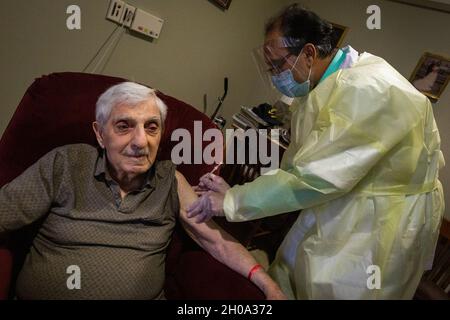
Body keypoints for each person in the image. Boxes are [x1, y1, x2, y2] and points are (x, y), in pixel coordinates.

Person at [187, 4, 445, 299]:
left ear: (308, 53)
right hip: (345, 198)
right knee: (297, 271)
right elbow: (298, 163)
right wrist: (241, 192)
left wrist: (233, 202)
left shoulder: (365, 89)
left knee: (338, 288)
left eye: (277, 66)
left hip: (381, 220)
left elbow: (314, 177)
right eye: (269, 68)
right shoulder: (323, 86)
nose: (274, 77)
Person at [0, 82, 286, 300]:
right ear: (100, 134)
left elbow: (216, 241)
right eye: (124, 126)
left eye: (152, 128)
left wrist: (267, 284)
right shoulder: (67, 163)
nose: (140, 141)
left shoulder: (169, 181)